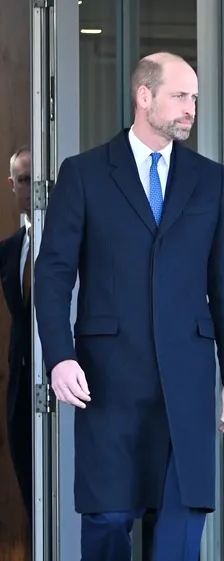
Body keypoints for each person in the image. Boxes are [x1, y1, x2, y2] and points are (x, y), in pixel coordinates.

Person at [34, 51, 224, 561]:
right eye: (180, 95)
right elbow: (54, 272)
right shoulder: (84, 173)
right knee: (108, 518)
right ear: (144, 96)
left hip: (189, 378)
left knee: (180, 525)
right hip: (107, 377)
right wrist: (60, 356)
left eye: (194, 97)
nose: (190, 107)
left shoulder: (210, 179)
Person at [2, 145, 33, 521]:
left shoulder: (66, 239)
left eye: (33, 179)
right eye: (22, 180)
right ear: (12, 185)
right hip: (22, 387)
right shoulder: (8, 251)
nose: (30, 188)